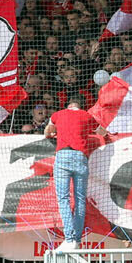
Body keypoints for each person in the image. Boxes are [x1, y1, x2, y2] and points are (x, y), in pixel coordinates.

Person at [45, 97, 106, 251]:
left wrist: (51, 134)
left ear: (68, 106)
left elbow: (48, 131)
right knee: (80, 199)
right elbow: (102, 131)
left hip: (63, 155)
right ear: (80, 107)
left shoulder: (58, 115)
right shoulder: (87, 116)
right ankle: (76, 240)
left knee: (63, 198)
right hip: (81, 157)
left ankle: (69, 238)